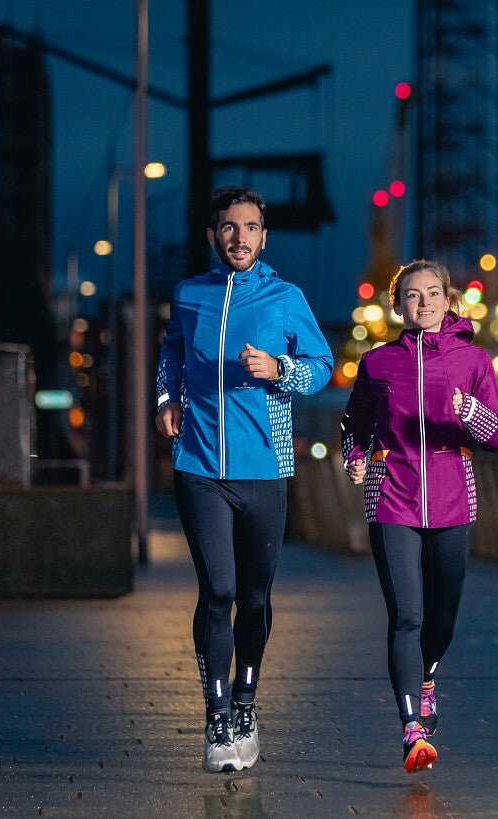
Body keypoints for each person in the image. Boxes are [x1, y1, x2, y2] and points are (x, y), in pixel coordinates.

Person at [156, 185, 333, 772]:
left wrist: (279, 368)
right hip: (199, 467)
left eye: (251, 227)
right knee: (219, 591)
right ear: (213, 235)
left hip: (266, 471)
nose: (239, 237)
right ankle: (216, 719)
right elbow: (172, 353)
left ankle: (247, 701)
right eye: (228, 227)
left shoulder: (286, 298)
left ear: (263, 235)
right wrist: (165, 398)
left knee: (255, 597)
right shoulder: (189, 295)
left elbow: (322, 368)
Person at [340, 259, 498, 772]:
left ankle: (428, 674)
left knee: (442, 616)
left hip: (453, 497)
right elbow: (355, 424)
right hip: (391, 497)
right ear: (398, 305)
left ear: (448, 298)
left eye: (433, 293)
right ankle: (413, 727)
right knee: (406, 615)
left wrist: (468, 414)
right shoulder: (377, 363)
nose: (425, 302)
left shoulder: (473, 360)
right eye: (412, 295)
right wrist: (354, 458)